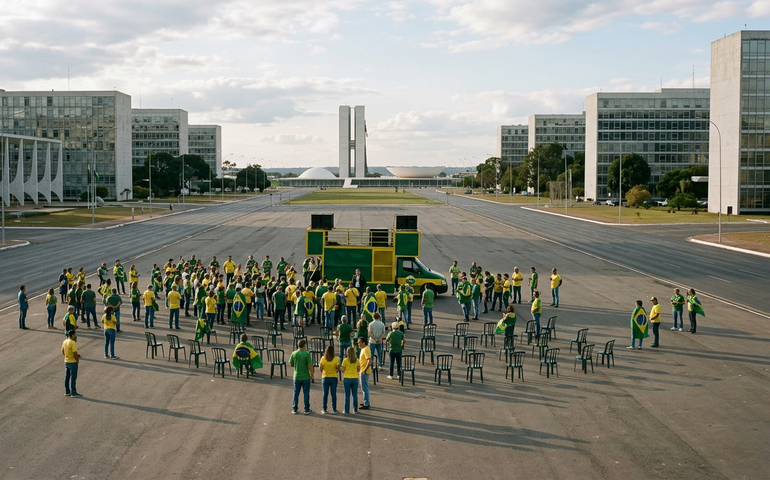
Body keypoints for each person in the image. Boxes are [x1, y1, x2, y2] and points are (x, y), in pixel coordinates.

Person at [289, 339, 314, 415]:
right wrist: (312, 374)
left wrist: (296, 365)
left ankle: (294, 408)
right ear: (304, 345)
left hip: (296, 376)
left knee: (296, 393)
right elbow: (310, 365)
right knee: (306, 393)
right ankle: (306, 409)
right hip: (305, 376)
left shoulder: (294, 353)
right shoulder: (307, 354)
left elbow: (290, 364)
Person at [62, 329, 81, 397]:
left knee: (67, 377)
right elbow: (75, 353)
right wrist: (77, 359)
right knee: (73, 378)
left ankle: (67, 391)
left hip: (66, 361)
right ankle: (73, 392)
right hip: (72, 362)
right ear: (72, 335)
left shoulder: (65, 341)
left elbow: (62, 351)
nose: (75, 336)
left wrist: (66, 356)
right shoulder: (73, 343)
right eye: (74, 335)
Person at [319, 345, 338, 414]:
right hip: (333, 377)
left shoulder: (323, 358)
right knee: (333, 394)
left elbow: (320, 369)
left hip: (325, 377)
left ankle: (324, 409)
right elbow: (337, 367)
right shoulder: (335, 359)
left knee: (325, 394)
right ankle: (334, 409)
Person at [341, 346, 360, 414]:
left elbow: (342, 370)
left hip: (347, 378)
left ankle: (346, 410)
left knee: (347, 395)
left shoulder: (345, 360)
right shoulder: (357, 360)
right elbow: (358, 369)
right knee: (355, 394)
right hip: (355, 378)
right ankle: (355, 410)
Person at [358, 337, 372, 410]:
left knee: (364, 388)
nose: (358, 344)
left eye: (359, 342)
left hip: (364, 371)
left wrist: (364, 370)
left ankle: (366, 403)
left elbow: (369, 361)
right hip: (363, 370)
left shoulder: (365, 349)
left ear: (363, 342)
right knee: (364, 387)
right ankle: (366, 401)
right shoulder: (364, 349)